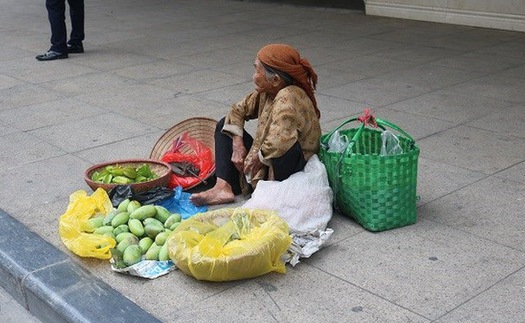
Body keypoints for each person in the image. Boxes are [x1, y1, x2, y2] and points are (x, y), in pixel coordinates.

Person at [190, 43, 321, 206]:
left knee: (284, 149)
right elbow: (237, 110)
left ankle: (269, 192)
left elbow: (279, 141)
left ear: (275, 80)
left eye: (257, 70)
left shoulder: (290, 96)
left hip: (289, 166)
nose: (253, 76)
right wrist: (238, 144)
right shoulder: (267, 92)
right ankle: (223, 188)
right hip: (263, 157)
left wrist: (255, 160)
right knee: (225, 125)